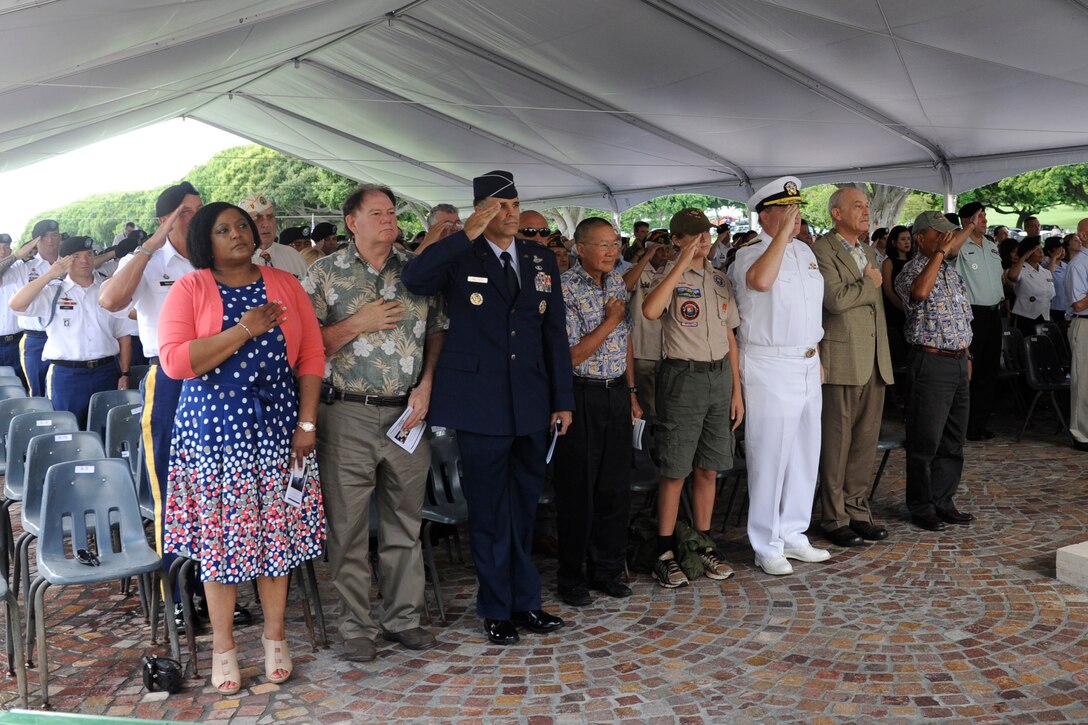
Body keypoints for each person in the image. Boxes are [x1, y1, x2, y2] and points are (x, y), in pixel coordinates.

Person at [157, 202, 325, 694]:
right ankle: (225, 646)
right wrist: (245, 328)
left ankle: (276, 638)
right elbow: (174, 362)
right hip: (213, 434)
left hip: (277, 428)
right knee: (221, 544)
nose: (238, 234)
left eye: (244, 226)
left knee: (275, 536)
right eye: (224, 229)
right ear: (205, 241)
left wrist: (307, 421)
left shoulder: (286, 285)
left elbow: (311, 354)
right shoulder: (191, 287)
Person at [402, 170, 573, 646]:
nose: (512, 214)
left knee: (524, 508)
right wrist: (465, 233)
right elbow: (415, 278)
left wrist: (562, 399)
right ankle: (496, 608)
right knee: (490, 511)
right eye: (501, 206)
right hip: (480, 406)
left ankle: (527, 602)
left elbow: (552, 333)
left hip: (532, 403)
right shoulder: (462, 253)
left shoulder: (539, 258)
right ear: (481, 209)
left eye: (516, 204)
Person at [303, 184, 448, 662]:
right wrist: (356, 323)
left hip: (408, 413)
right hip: (346, 413)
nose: (389, 220)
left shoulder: (417, 272)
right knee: (347, 530)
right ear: (352, 222)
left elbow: (436, 331)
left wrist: (427, 383)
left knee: (404, 523)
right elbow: (304, 348)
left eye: (392, 213)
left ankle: (403, 619)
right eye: (377, 213)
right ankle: (356, 625)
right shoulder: (324, 273)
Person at [100, 181, 250, 630]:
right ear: (168, 218)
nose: (197, 219)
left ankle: (215, 590)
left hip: (222, 380)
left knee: (218, 492)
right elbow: (111, 300)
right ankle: (179, 596)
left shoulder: (213, 259)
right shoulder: (148, 261)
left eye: (200, 211)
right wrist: (152, 243)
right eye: (187, 213)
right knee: (174, 493)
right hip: (168, 380)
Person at [730, 177, 829, 576]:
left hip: (805, 360)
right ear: (765, 215)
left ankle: (793, 532)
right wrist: (782, 236)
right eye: (787, 211)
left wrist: (816, 353)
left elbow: (810, 308)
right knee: (769, 456)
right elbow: (760, 282)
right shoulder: (748, 253)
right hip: (768, 364)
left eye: (798, 210)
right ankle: (765, 543)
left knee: (805, 454)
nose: (796, 217)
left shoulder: (805, 250)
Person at [642, 209, 743, 587]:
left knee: (709, 467)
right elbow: (652, 311)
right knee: (675, 468)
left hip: (718, 378)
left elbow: (731, 336)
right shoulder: (666, 278)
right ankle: (664, 550)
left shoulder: (720, 279)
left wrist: (737, 391)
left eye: (707, 233)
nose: (704, 239)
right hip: (682, 378)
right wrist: (679, 263)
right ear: (679, 239)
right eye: (694, 234)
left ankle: (702, 543)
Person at [553, 217, 641, 606]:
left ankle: (606, 570)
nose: (611, 251)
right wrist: (610, 321)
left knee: (614, 488)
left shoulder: (618, 282)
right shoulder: (566, 287)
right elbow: (572, 355)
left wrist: (633, 391)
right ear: (579, 247)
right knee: (578, 490)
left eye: (615, 244)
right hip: (581, 395)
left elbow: (627, 341)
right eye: (602, 244)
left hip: (616, 393)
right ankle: (571, 576)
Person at [812, 189, 893, 548]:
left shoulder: (868, 249)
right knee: (837, 443)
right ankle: (833, 516)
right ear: (836, 213)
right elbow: (835, 300)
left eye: (866, 205)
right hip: (843, 358)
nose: (866, 211)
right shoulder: (821, 250)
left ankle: (858, 509)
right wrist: (869, 282)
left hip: (875, 358)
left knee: (864, 442)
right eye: (857, 206)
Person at [894, 211, 976, 531]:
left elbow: (963, 318)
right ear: (921, 239)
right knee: (925, 439)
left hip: (957, 360)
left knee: (953, 439)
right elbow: (919, 294)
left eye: (948, 235)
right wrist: (940, 253)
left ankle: (943, 500)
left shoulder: (951, 273)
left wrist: (968, 355)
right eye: (939, 234)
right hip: (930, 362)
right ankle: (921, 505)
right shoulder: (909, 271)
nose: (947, 239)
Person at [8, 236, 132, 425]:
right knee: (68, 431)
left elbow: (123, 335)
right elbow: (16, 304)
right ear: (64, 261)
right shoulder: (53, 292)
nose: (84, 260)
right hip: (67, 376)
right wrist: (49, 275)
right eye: (76, 256)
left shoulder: (107, 289)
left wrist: (125, 373)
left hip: (106, 372)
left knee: (107, 431)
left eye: (89, 255)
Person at [948, 202, 1004, 442]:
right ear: (968, 220)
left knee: (989, 370)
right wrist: (968, 228)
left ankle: (979, 424)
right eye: (980, 217)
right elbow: (949, 252)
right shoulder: (960, 246)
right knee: (970, 370)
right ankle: (963, 425)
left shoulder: (991, 246)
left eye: (984, 217)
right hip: (972, 314)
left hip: (994, 314)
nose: (985, 221)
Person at [3, 220, 62, 395]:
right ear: (36, 241)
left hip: (65, 337)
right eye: (44, 237)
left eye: (54, 235)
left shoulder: (70, 264)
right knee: (36, 391)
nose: (50, 240)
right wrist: (16, 256)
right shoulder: (24, 267)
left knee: (61, 390)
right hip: (36, 339)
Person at [627, 230, 670, 418]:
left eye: (667, 249)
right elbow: (625, 286)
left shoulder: (672, 271)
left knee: (665, 399)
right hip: (643, 347)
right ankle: (647, 440)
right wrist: (646, 258)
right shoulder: (638, 271)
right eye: (660, 250)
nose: (665, 254)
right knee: (646, 400)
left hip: (667, 348)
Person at [239, 193, 309, 278]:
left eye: (270, 217)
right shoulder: (234, 262)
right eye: (258, 218)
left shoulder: (293, 257)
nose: (266, 224)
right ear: (243, 225)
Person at [1065, 217, 1088, 452]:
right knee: (1083, 381)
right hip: (1084, 324)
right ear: (1083, 235)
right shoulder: (1078, 264)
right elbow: (1078, 304)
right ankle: (1081, 434)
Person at [1005, 236, 1058, 336]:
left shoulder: (1046, 272)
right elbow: (1012, 276)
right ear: (1028, 253)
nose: (1041, 252)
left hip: (1044, 316)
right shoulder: (1021, 269)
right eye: (1036, 250)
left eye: (1041, 249)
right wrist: (1023, 257)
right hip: (1025, 317)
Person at [881, 225, 913, 371]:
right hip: (895, 312)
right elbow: (888, 290)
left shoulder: (914, 261)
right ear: (894, 242)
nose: (907, 242)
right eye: (903, 239)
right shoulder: (889, 262)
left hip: (913, 311)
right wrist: (902, 307)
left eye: (908, 239)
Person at [0, 234, 26, 380]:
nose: (3, 252)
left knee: (22, 385)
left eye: (6, 248)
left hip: (17, 341)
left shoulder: (20, 270)